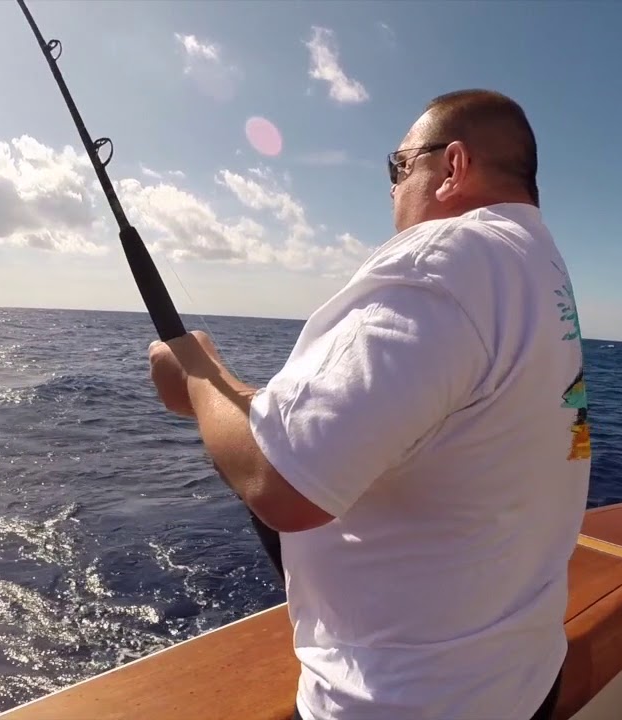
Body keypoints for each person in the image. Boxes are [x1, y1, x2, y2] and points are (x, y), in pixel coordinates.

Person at [147, 89, 590, 720]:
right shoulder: (539, 266)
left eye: (399, 166)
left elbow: (280, 485)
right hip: (520, 680)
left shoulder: (445, 259)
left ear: (453, 167)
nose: (390, 190)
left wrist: (197, 373)